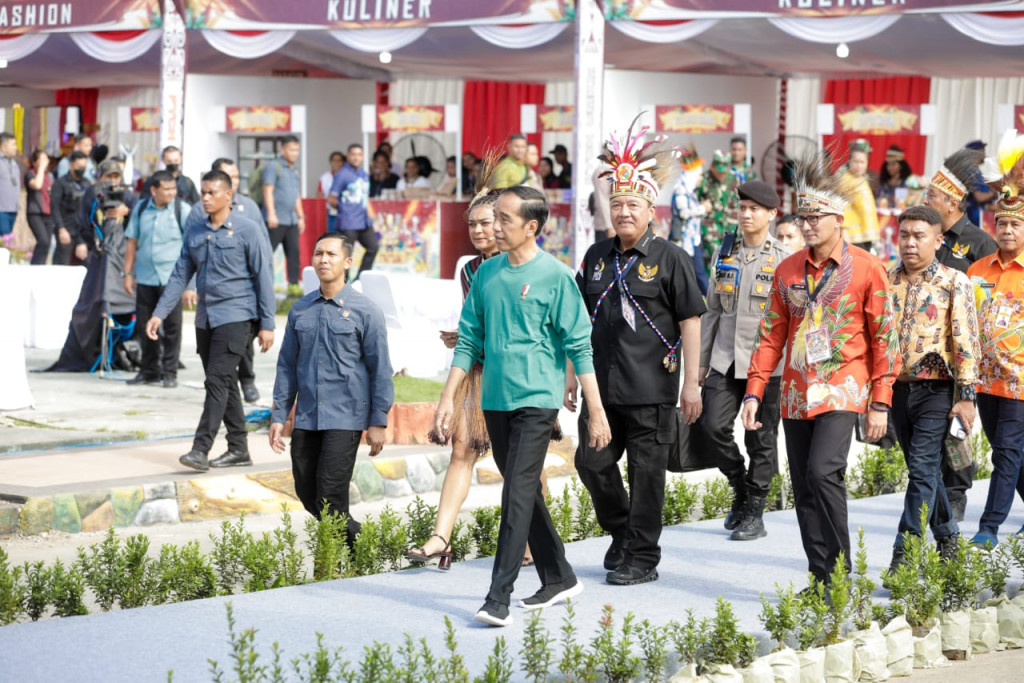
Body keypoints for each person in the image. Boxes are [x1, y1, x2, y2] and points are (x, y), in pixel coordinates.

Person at [434, 185, 611, 627]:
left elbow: (579, 345)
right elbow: (469, 338)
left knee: (515, 492)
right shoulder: (487, 274)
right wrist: (448, 397)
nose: (494, 226)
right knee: (524, 491)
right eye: (493, 218)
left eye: (503, 219)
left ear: (531, 227)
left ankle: (498, 596)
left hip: (537, 401)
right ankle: (560, 576)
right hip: (494, 399)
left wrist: (596, 409)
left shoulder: (557, 277)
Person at [742, 152, 900, 586]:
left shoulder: (868, 268)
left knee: (822, 471)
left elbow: (885, 339)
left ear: (840, 219)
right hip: (794, 392)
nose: (809, 225)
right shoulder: (787, 269)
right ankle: (822, 575)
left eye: (817, 217)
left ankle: (839, 569)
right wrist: (754, 391)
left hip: (843, 387)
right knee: (804, 485)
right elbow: (771, 334)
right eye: (803, 217)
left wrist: (880, 403)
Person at [574, 122, 705, 586]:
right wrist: (573, 375)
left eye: (632, 204)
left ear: (651, 209)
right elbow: (577, 319)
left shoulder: (671, 258)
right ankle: (621, 530)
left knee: (647, 476)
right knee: (590, 463)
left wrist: (691, 383)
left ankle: (642, 557)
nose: (623, 212)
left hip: (652, 389)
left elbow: (691, 320)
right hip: (601, 390)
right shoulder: (595, 257)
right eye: (616, 204)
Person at [407, 167, 506, 568]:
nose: (478, 231)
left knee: (522, 463)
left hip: (516, 375)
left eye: (486, 223)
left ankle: (537, 539)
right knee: (461, 451)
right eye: (472, 224)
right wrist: (461, 335)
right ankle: (439, 538)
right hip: (478, 373)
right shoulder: (469, 270)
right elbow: (477, 321)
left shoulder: (521, 265)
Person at [270, 232, 393, 549]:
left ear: (348, 262)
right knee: (307, 491)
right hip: (309, 416)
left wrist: (378, 421)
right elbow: (287, 366)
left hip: (346, 416)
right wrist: (278, 415)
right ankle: (360, 541)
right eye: (318, 253)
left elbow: (380, 368)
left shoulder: (367, 311)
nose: (323, 260)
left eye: (331, 254)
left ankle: (346, 560)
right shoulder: (300, 311)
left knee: (329, 491)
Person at [147, 170, 275, 472]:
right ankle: (239, 448)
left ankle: (200, 448)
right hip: (206, 318)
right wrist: (159, 313)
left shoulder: (247, 230)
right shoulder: (195, 232)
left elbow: (263, 276)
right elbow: (181, 274)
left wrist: (268, 323)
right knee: (226, 383)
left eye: (211, 192)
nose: (205, 198)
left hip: (237, 317)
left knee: (216, 381)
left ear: (228, 195)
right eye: (203, 192)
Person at [885, 204, 977, 572]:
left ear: (938, 240)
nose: (909, 243)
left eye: (919, 236)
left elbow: (967, 341)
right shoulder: (886, 280)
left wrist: (966, 398)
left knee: (922, 469)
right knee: (922, 471)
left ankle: (905, 551)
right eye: (904, 234)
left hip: (937, 390)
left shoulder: (955, 281)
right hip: (897, 390)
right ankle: (949, 535)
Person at [701, 180, 790, 542]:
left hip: (767, 366)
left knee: (762, 439)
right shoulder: (724, 254)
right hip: (724, 358)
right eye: (743, 207)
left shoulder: (784, 260)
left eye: (756, 208)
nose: (747, 214)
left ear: (772, 214)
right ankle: (739, 484)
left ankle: (755, 509)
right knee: (711, 427)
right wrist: (699, 367)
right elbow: (710, 312)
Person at [923, 148, 998, 520]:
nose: (925, 201)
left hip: (967, 350)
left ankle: (956, 492)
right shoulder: (926, 239)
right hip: (928, 349)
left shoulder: (980, 243)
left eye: (931, 196)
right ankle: (935, 490)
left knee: (960, 422)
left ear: (952, 202)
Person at [967, 131, 1024, 548]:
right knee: (1008, 453)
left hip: (1021, 381)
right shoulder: (977, 270)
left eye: (1015, 223)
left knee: (1005, 452)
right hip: (984, 380)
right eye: (1001, 222)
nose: (1006, 229)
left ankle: (989, 527)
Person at [191, 157, 270, 404]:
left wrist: (267, 317)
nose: (234, 182)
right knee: (219, 372)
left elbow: (263, 251)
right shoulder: (199, 211)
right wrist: (190, 286)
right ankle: (236, 437)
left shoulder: (249, 209)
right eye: (229, 177)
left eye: (236, 177)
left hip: (242, 298)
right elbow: (190, 254)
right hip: (211, 304)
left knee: (243, 346)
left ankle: (247, 381)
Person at [123, 170, 191, 388]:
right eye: (167, 189)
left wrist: (189, 284)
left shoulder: (183, 210)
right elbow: (132, 242)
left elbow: (192, 247)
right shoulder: (141, 209)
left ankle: (170, 372)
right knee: (145, 325)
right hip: (145, 277)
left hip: (172, 279)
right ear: (154, 190)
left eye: (174, 189)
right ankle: (149, 370)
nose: (172, 193)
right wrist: (127, 273)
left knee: (172, 327)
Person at [262, 134, 305, 295]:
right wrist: (271, 214)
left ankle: (293, 289)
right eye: (291, 149)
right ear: (283, 149)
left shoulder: (294, 169)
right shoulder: (274, 166)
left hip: (291, 220)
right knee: (266, 254)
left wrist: (300, 216)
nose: (295, 153)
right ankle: (262, 287)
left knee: (294, 255)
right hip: (276, 220)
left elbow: (296, 195)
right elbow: (267, 190)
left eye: (297, 150)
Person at [329, 143, 378, 276]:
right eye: (353, 154)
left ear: (362, 157)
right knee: (346, 255)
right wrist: (345, 209)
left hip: (364, 221)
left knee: (373, 247)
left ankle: (361, 278)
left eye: (359, 154)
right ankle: (344, 285)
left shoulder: (363, 174)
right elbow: (331, 198)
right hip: (348, 222)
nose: (356, 158)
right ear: (348, 156)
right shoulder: (342, 174)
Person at [669, 144, 709, 294]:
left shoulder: (691, 192)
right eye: (698, 175)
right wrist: (703, 209)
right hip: (683, 242)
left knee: (698, 273)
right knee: (690, 274)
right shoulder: (680, 190)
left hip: (693, 241)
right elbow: (684, 213)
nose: (701, 178)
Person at [696, 150, 739, 279]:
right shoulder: (704, 180)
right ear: (712, 167)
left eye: (724, 171)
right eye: (719, 171)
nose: (721, 174)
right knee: (713, 258)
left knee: (731, 259)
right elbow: (695, 203)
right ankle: (711, 290)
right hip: (711, 226)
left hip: (730, 226)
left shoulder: (734, 179)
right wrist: (702, 207)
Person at [49, 150, 90, 265]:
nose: (81, 169)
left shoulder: (87, 184)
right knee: (62, 265)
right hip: (66, 229)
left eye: (84, 167)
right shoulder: (60, 184)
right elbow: (55, 208)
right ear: (71, 165)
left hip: (82, 232)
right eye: (79, 166)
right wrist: (61, 229)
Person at [841, 139, 880, 252]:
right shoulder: (845, 180)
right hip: (852, 235)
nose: (859, 165)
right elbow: (841, 208)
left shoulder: (862, 179)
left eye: (862, 162)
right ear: (849, 161)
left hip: (865, 234)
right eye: (855, 161)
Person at [24, 148, 56, 265]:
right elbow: (37, 185)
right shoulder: (30, 174)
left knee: (47, 244)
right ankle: (35, 266)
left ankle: (41, 265)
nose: (45, 161)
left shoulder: (50, 176)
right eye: (41, 159)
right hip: (35, 212)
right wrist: (41, 168)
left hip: (48, 212)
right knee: (42, 240)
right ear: (35, 161)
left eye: (46, 159)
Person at [0, 133, 21, 237]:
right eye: (13, 144)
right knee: (4, 241)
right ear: (3, 147)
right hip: (1, 209)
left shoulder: (13, 162)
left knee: (8, 239)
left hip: (13, 208)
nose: (15, 148)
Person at [319, 151, 344, 232]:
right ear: (330, 162)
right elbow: (319, 195)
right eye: (334, 160)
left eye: (339, 160)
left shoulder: (346, 176)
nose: (336, 163)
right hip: (330, 212)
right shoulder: (324, 177)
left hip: (345, 213)